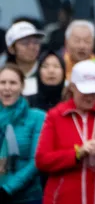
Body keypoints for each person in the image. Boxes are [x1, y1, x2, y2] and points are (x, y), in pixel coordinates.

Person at [35, 60, 95, 204]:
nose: (89, 96)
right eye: (85, 91)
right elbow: (42, 160)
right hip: (63, 199)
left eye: (94, 91)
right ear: (72, 87)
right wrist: (77, 153)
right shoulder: (55, 116)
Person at [0, 65, 46, 204]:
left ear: (22, 86)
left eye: (13, 83)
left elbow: (36, 161)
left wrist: (7, 189)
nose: (7, 87)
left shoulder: (37, 117)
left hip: (28, 197)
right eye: (2, 82)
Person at [4, 22, 44, 97]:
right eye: (25, 43)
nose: (32, 47)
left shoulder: (46, 72)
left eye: (36, 42)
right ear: (11, 49)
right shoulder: (3, 76)